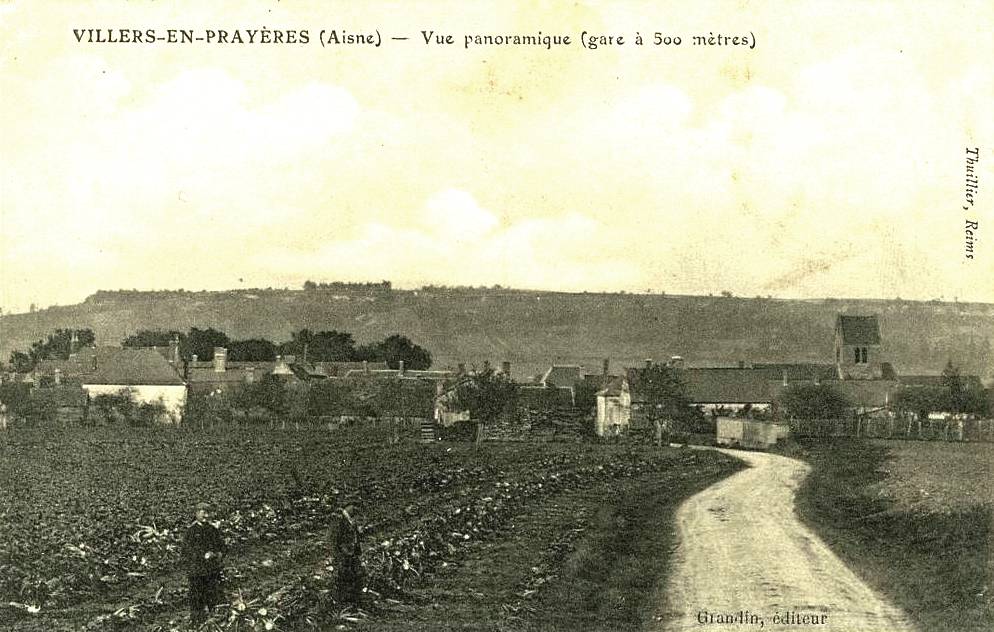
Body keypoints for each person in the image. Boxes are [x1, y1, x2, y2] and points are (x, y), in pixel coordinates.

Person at [183, 502, 226, 626]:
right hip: (196, 573)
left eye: (208, 513)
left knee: (214, 598)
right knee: (197, 600)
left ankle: (214, 624)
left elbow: (223, 548)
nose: (206, 516)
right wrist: (202, 556)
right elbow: (186, 552)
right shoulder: (191, 532)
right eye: (203, 513)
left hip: (212, 571)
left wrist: (217, 555)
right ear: (196, 514)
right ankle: (197, 624)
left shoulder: (213, 530)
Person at [335, 501, 366, 606]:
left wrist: (357, 551)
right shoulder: (340, 522)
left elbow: (355, 537)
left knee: (357, 576)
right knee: (346, 578)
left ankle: (355, 601)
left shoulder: (351, 522)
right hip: (345, 556)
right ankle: (346, 603)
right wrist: (344, 552)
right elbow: (336, 541)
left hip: (352, 555)